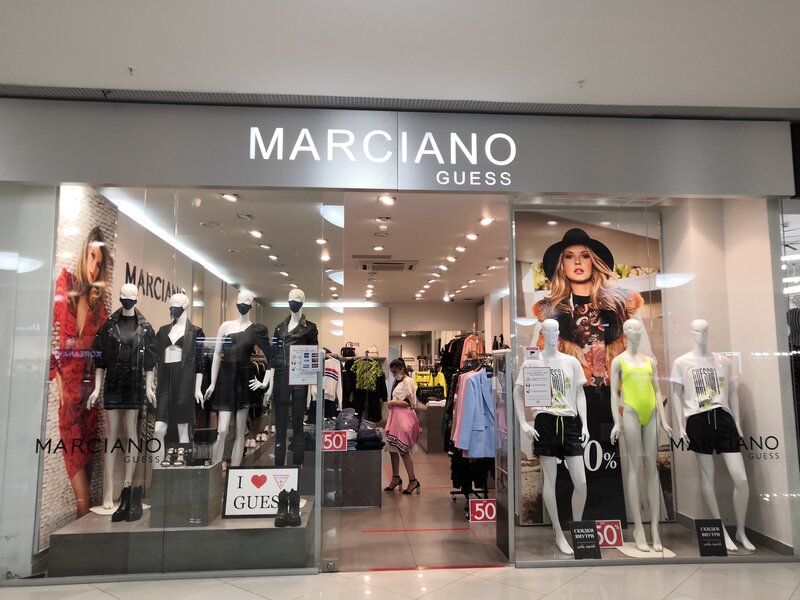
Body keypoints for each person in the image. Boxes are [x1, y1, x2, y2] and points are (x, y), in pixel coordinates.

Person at [532, 228, 647, 386]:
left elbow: (642, 355)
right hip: (572, 395)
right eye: (569, 256)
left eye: (585, 256)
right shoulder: (552, 311)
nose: (577, 262)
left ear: (593, 262)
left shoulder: (620, 304)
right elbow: (540, 360)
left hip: (616, 394)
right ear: (562, 265)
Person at [50, 226, 112, 518]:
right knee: (83, 497)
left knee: (88, 496)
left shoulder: (100, 306)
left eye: (99, 263)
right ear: (83, 253)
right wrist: (57, 378)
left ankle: (83, 543)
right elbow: (48, 335)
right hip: (70, 402)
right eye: (91, 257)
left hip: (89, 401)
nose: (94, 267)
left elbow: (102, 352)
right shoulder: (65, 285)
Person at [383, 358, 421, 495]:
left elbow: (408, 402)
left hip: (404, 419)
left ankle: (413, 480)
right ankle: (395, 478)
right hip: (395, 419)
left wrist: (392, 403)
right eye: (392, 372)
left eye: (395, 372)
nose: (393, 374)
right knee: (392, 450)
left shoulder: (408, 381)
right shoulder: (397, 381)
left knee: (403, 451)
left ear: (401, 369)